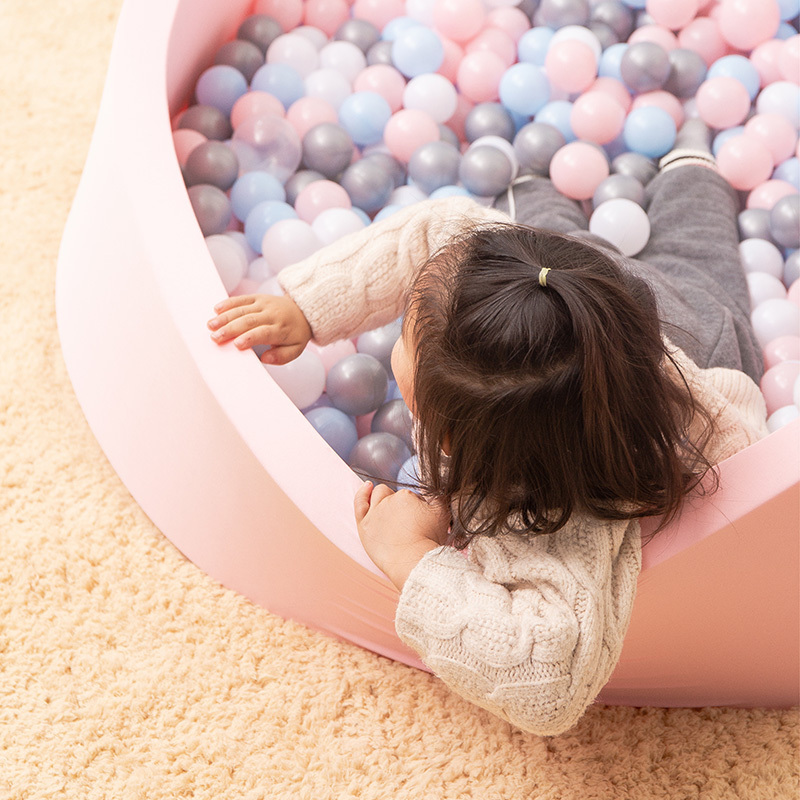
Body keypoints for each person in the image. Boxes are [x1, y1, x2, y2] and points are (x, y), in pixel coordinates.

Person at [206, 123, 768, 736]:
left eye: (406, 344)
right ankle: (539, 196)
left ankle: (692, 167)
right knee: (551, 247)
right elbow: (433, 230)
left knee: (695, 249)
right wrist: (308, 307)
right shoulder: (497, 283)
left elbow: (549, 679)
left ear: (452, 436)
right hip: (576, 295)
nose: (399, 340)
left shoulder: (562, 513)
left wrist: (411, 557)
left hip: (691, 330)